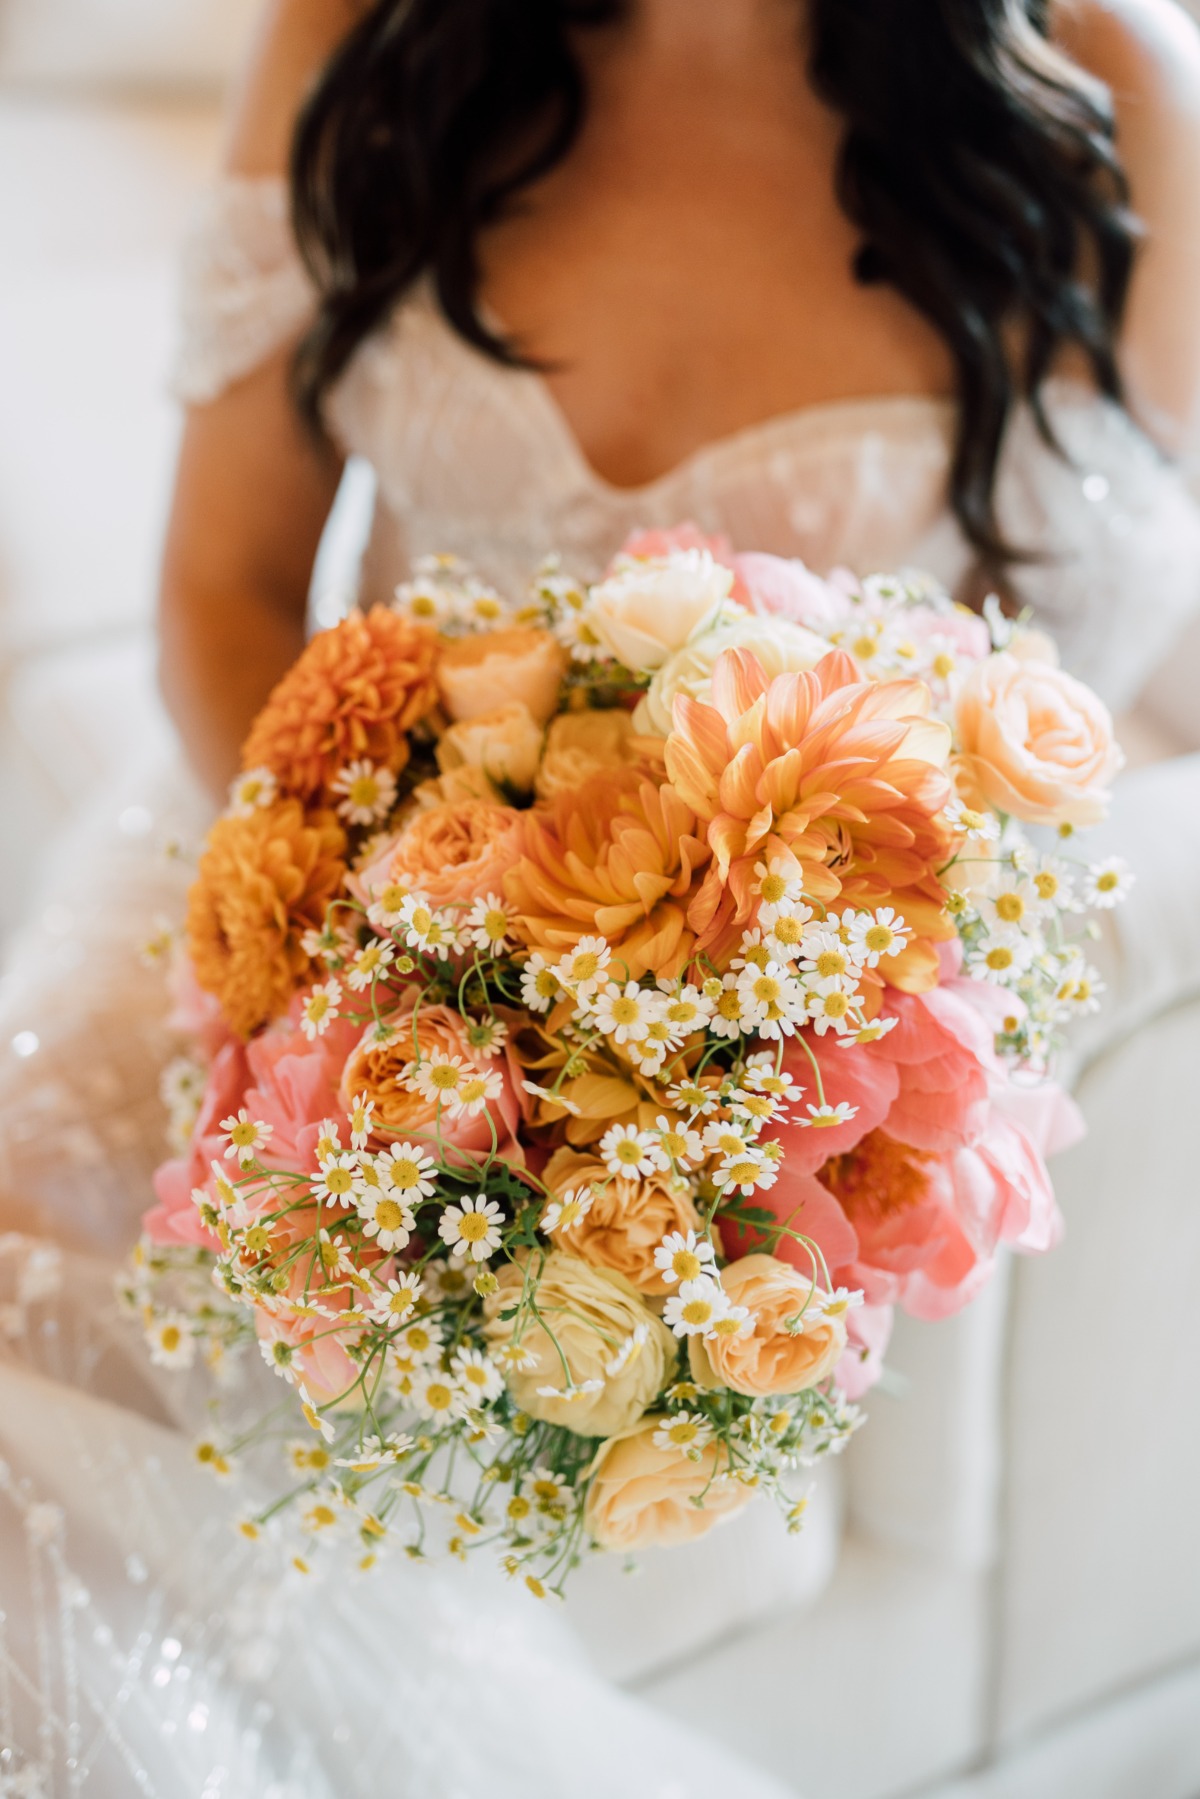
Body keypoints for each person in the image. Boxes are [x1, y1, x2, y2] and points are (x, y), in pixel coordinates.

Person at [1, 1, 1199, 1793]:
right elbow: (226, 589)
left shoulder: (1106, 101)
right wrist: (379, 943)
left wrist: (675, 1040)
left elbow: (1066, 715)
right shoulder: (355, 33)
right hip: (303, 877)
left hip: (732, 1030)